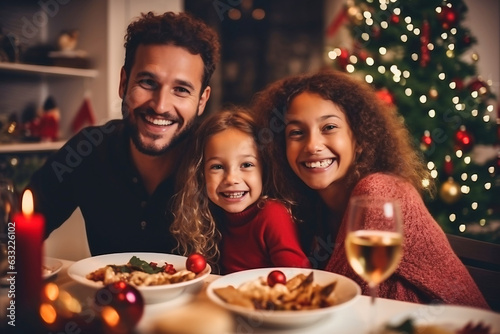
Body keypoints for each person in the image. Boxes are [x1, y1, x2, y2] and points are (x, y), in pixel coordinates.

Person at [252, 69, 489, 309]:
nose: (312, 145)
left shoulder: (379, 191)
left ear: (361, 140)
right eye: (296, 132)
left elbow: (335, 299)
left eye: (329, 127)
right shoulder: (315, 209)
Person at [27, 11, 220, 255]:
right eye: (148, 82)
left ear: (202, 101)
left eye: (181, 90)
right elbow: (15, 228)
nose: (160, 106)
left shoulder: (221, 162)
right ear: (123, 83)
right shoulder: (87, 150)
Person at [170, 108, 311, 273]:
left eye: (246, 165)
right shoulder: (211, 216)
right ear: (200, 175)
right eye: (217, 167)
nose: (231, 179)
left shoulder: (272, 215)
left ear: (264, 170)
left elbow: (299, 277)